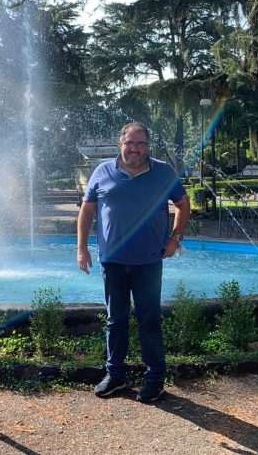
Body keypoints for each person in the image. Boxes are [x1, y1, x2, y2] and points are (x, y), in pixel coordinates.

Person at [77, 122, 190, 402]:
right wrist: (82, 248)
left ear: (147, 146)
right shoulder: (102, 171)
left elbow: (183, 204)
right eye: (130, 142)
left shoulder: (163, 171)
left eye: (141, 143)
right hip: (113, 261)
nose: (135, 148)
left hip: (148, 261)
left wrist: (175, 238)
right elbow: (87, 211)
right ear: (121, 143)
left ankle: (154, 380)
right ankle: (115, 376)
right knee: (115, 321)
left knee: (149, 321)